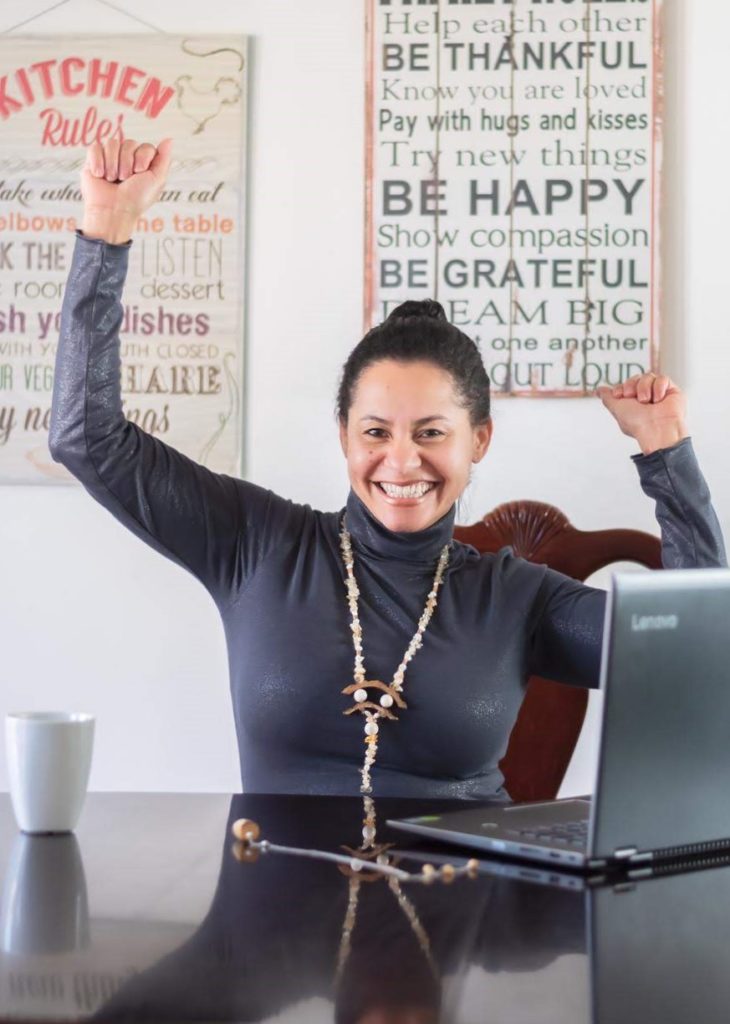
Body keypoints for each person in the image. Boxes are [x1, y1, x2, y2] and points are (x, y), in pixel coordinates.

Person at [49, 138, 727, 801]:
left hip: (466, 904)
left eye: (432, 432)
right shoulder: (254, 544)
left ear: (479, 441)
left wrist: (667, 455)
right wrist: (106, 235)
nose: (402, 460)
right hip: (283, 904)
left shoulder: (521, 597)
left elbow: (699, 656)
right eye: (376, 431)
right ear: (344, 436)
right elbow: (87, 438)